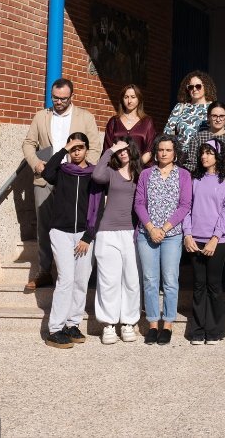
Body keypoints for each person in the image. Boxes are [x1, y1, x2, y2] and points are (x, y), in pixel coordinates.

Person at [22, 77, 102, 291]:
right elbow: (29, 144)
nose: (58, 102)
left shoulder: (85, 117)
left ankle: (83, 270)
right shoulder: (41, 116)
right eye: (55, 98)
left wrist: (84, 169)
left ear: (71, 97)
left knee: (81, 222)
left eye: (63, 98)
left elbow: (95, 147)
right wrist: (37, 163)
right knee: (44, 225)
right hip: (46, 178)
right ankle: (45, 270)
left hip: (76, 180)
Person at [41, 133, 103, 349]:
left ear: (87, 149)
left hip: (84, 235)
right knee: (66, 279)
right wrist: (63, 150)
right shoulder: (61, 171)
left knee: (81, 279)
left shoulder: (94, 174)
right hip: (61, 231)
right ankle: (55, 329)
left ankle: (72, 324)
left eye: (80, 148)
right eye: (73, 148)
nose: (77, 152)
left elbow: (97, 208)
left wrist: (88, 236)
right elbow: (47, 172)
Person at [135, 134, 192, 345]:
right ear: (156, 152)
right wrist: (151, 228)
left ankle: (167, 324)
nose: (164, 153)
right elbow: (139, 203)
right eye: (160, 150)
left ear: (175, 152)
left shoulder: (184, 175)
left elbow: (185, 205)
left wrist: (165, 229)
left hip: (172, 235)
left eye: (168, 150)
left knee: (170, 280)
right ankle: (152, 324)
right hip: (146, 234)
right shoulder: (146, 174)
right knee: (150, 281)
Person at [89, 138, 143, 345]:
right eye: (119, 150)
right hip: (107, 232)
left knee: (131, 279)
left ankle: (129, 323)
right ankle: (109, 324)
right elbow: (96, 174)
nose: (122, 152)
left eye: (126, 149)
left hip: (131, 232)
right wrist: (110, 148)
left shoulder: (141, 174)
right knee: (108, 280)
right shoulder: (110, 173)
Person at [184, 138, 225, 345]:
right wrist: (187, 234)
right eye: (202, 152)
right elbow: (186, 207)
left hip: (217, 241)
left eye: (209, 152)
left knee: (214, 286)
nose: (204, 156)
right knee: (198, 285)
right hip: (194, 240)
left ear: (218, 156)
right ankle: (197, 330)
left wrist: (215, 238)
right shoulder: (194, 179)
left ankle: (214, 331)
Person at [185, 101, 225, 180]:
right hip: (201, 182)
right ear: (208, 117)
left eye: (221, 116)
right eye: (214, 116)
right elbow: (191, 165)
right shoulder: (198, 138)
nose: (218, 119)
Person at [103, 83, 156, 165]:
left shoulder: (147, 122)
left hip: (139, 170)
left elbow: (150, 149)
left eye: (133, 97)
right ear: (122, 100)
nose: (129, 101)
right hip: (116, 169)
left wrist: (136, 168)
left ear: (139, 99)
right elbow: (107, 147)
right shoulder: (114, 121)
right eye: (126, 97)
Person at [164, 71, 216, 149]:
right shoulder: (180, 107)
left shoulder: (213, 108)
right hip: (181, 156)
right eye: (191, 87)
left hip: (203, 155)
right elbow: (168, 133)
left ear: (206, 87)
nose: (194, 89)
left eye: (198, 86)